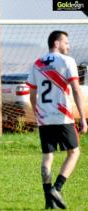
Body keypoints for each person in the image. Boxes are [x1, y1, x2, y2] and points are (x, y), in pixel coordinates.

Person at [26, 31, 87, 209]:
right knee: (74, 152)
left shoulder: (37, 64)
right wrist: (83, 117)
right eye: (66, 42)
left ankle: (48, 200)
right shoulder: (67, 61)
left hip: (44, 118)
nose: (68, 46)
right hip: (62, 116)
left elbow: (32, 94)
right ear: (56, 43)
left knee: (47, 157)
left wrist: (38, 113)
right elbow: (76, 90)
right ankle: (57, 188)